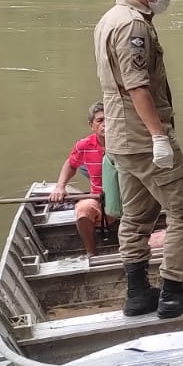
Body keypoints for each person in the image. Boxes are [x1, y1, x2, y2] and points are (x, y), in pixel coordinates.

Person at [94, 0, 183, 320]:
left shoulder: (109, 18)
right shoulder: (132, 25)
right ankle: (174, 293)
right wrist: (158, 137)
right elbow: (137, 86)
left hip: (121, 140)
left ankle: (137, 295)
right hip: (143, 138)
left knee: (137, 216)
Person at [49, 102, 117, 257]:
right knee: (83, 210)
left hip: (129, 200)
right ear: (91, 125)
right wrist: (60, 186)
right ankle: (92, 254)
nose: (105, 124)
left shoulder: (126, 142)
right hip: (102, 201)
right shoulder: (84, 146)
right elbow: (71, 164)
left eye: (109, 119)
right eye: (100, 120)